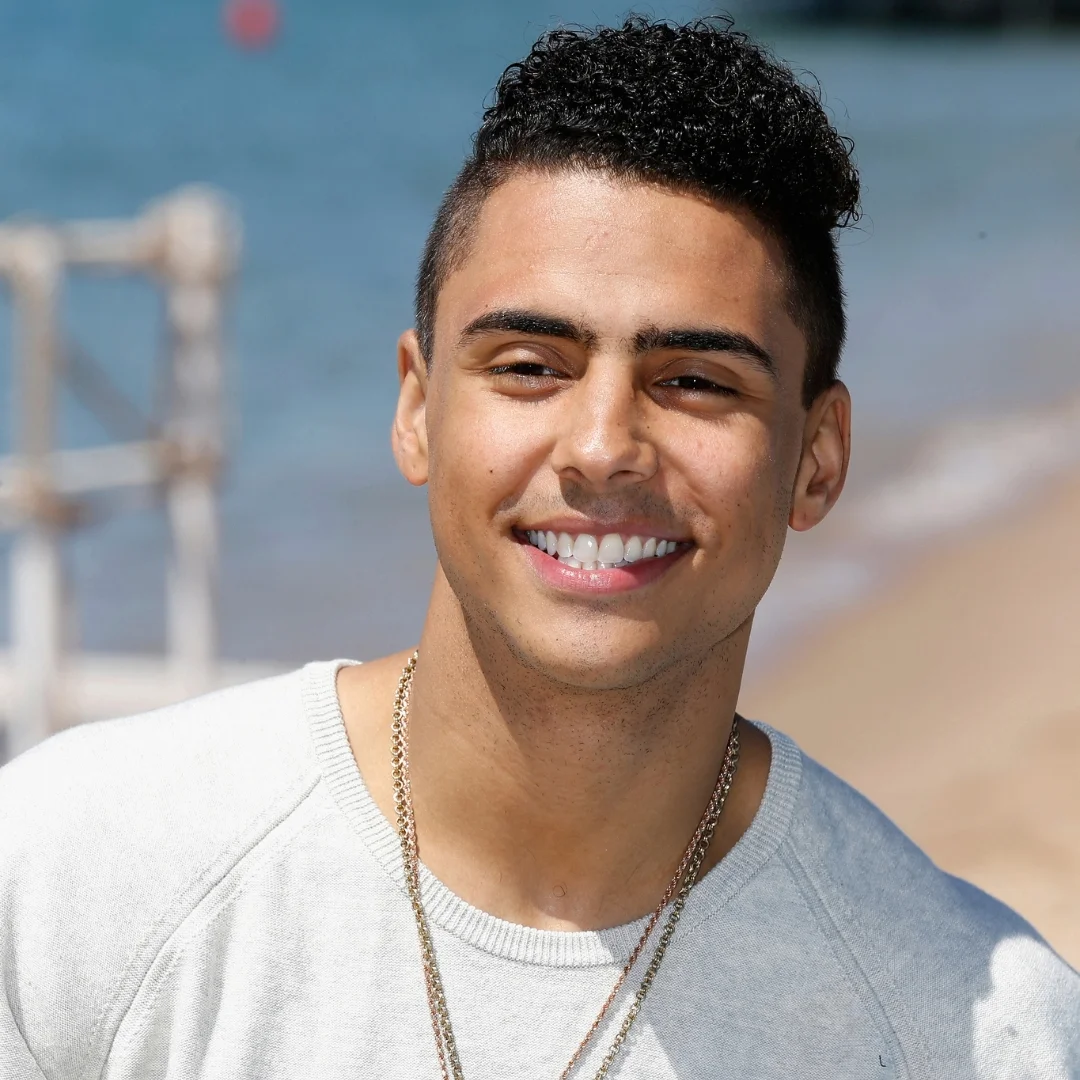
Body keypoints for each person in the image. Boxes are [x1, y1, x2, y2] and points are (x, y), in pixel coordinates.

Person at [1, 16, 1077, 1080]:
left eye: (695, 381)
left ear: (819, 460)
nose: (604, 447)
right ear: (419, 409)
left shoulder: (983, 1031)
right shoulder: (75, 883)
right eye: (529, 365)